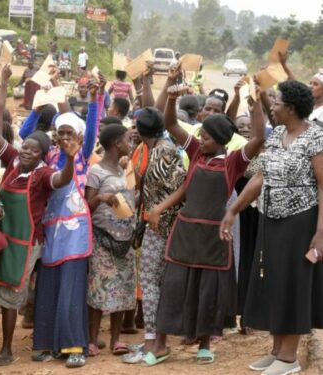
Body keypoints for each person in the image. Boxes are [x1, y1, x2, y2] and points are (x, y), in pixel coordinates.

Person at [145, 83, 265, 366]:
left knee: (208, 290)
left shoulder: (234, 161)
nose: (201, 139)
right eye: (201, 134)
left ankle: (204, 344)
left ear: (222, 140)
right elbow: (171, 123)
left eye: (207, 137)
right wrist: (171, 98)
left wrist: (255, 105)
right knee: (173, 286)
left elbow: (259, 137)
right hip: (186, 232)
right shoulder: (196, 152)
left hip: (214, 236)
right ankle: (161, 344)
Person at [221, 80, 323, 375]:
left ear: (291, 108)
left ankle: (289, 358)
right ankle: (277, 350)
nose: (273, 107)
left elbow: (322, 185)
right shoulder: (278, 134)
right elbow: (259, 177)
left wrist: (320, 232)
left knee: (292, 285)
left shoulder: (316, 138)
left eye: (276, 103)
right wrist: (233, 210)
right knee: (273, 282)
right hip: (271, 220)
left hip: (300, 222)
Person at [0, 68, 81, 366]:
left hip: (27, 243)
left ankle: (7, 350)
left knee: (13, 293)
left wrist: (71, 159)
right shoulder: (12, 161)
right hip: (2, 238)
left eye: (33, 150)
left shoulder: (42, 175)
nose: (26, 152)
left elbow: (62, 181)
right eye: (25, 147)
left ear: (42, 155)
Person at [32, 79, 102, 368]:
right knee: (49, 284)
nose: (63, 137)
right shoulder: (48, 155)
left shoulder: (83, 156)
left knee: (72, 286)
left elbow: (93, 129)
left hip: (75, 230)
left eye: (69, 132)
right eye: (60, 132)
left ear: (79, 135)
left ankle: (74, 346)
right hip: (51, 228)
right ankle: (46, 343)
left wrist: (96, 98)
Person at [121, 108, 186, 365]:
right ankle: (153, 341)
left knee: (150, 284)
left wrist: (158, 209)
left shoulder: (162, 152)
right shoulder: (156, 149)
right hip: (160, 225)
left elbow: (181, 186)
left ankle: (153, 343)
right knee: (152, 284)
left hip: (161, 227)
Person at [85, 123, 137, 358]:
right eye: (127, 139)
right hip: (102, 238)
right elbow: (87, 205)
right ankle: (92, 339)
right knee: (99, 288)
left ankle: (116, 339)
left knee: (123, 288)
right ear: (117, 144)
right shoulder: (96, 172)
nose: (130, 143)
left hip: (124, 238)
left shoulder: (123, 169)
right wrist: (101, 198)